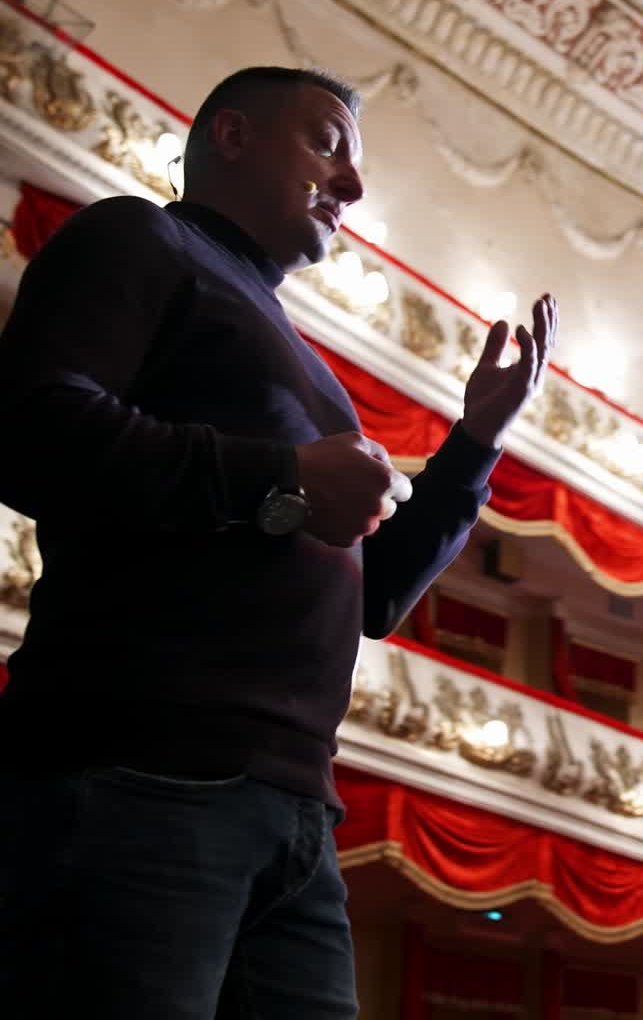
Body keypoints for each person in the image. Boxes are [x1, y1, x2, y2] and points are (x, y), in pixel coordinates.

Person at [0, 66, 557, 1018]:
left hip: (297, 816)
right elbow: (31, 431)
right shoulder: (141, 237)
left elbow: (373, 592)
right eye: (328, 143)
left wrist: (473, 446)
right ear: (232, 136)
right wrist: (287, 479)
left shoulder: (312, 369)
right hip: (139, 771)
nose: (353, 185)